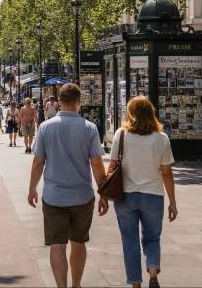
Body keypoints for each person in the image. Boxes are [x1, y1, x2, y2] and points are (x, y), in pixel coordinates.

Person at [28, 83, 108, 288]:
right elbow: (97, 165)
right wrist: (104, 193)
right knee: (79, 243)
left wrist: (32, 188)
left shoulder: (46, 127)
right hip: (82, 196)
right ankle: (76, 285)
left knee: (57, 245)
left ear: (59, 102)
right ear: (79, 103)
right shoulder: (89, 128)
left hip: (54, 197)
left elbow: (38, 162)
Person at [107, 96, 177, 288]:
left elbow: (112, 168)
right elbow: (167, 173)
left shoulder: (121, 135)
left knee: (129, 241)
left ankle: (135, 283)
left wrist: (104, 196)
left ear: (131, 113)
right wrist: (172, 202)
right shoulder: (161, 138)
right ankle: (153, 272)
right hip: (153, 196)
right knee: (152, 237)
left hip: (125, 196)